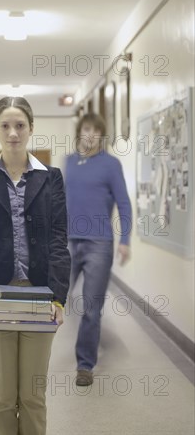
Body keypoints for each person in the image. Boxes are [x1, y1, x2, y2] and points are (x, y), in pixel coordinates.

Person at [0, 96, 71, 435]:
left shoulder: (51, 178)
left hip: (39, 297)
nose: (13, 133)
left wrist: (59, 298)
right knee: (1, 397)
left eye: (20, 125)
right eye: (5, 126)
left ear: (31, 129)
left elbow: (58, 239)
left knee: (32, 397)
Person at [65, 113, 132, 386]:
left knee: (91, 308)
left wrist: (125, 240)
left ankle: (85, 365)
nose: (90, 135)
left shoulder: (111, 165)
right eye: (86, 129)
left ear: (101, 135)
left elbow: (124, 204)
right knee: (52, 300)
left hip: (99, 245)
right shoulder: (69, 162)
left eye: (95, 130)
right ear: (79, 132)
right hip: (67, 242)